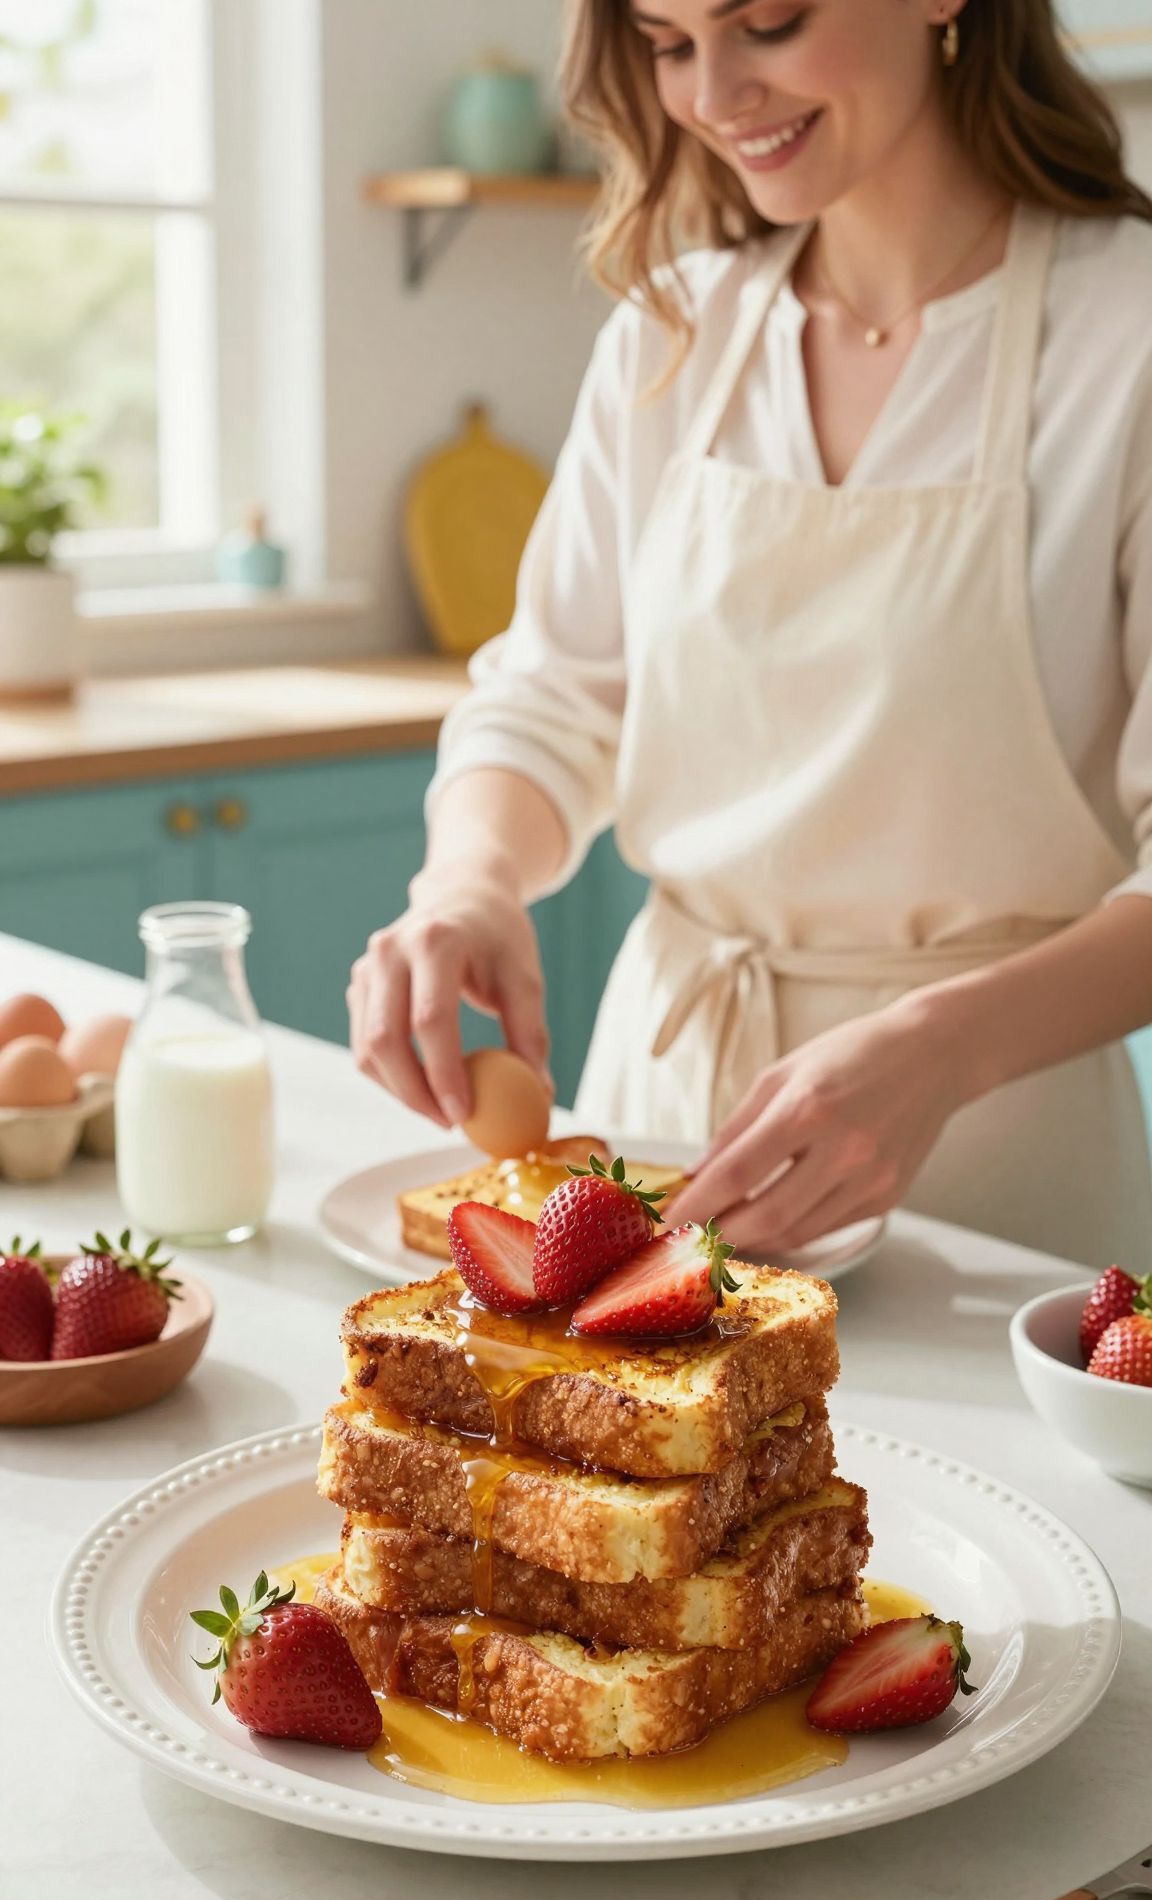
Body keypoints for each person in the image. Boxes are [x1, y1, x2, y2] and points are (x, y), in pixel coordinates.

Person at [348, 0, 1152, 1271]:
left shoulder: (1129, 334)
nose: (715, 92)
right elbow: (554, 699)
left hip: (1001, 1177)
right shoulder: (675, 331)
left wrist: (944, 1045)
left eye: (766, 21)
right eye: (668, 43)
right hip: (662, 1121)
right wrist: (470, 880)